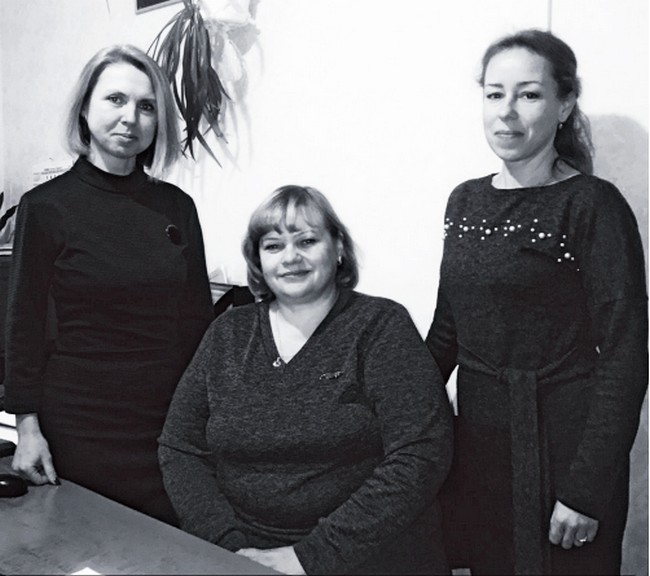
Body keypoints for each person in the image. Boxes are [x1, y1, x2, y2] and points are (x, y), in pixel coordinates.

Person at [426, 29, 648, 575]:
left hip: (565, 449)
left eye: (528, 94)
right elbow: (447, 333)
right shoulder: (465, 200)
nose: (507, 112)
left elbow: (626, 354)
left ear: (564, 104)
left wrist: (586, 489)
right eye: (494, 94)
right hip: (480, 449)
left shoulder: (592, 204)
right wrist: (387, 409)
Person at [158, 185, 453, 575]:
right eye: (273, 246)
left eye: (307, 241)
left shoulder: (380, 327)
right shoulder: (228, 333)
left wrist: (309, 557)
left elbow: (421, 454)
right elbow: (181, 447)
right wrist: (228, 546)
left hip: (366, 555)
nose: (290, 257)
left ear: (339, 248)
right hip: (243, 553)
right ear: (258, 259)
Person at [4, 45, 214, 525]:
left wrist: (202, 421)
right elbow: (24, 325)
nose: (130, 118)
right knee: (88, 543)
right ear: (84, 108)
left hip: (167, 421)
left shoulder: (177, 207)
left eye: (146, 106)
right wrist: (27, 428)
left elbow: (198, 323)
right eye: (115, 99)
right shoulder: (45, 207)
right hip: (79, 422)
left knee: (169, 547)